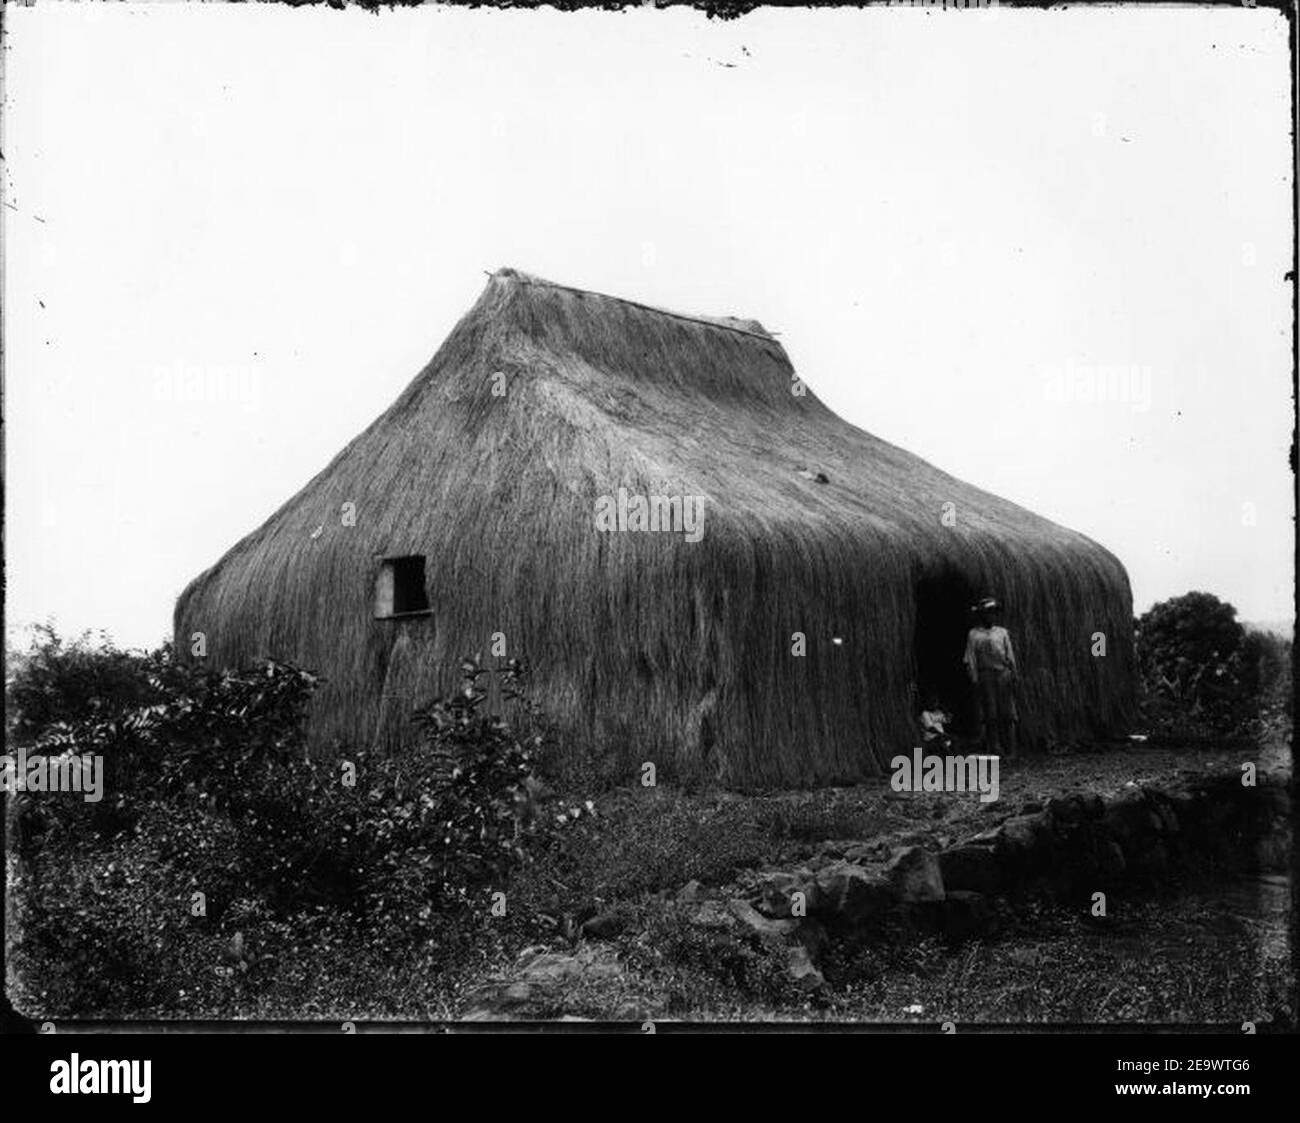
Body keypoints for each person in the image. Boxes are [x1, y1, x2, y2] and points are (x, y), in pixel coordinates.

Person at [963, 596, 1019, 757]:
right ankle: (995, 747)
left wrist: (1013, 673)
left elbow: (1010, 655)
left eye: (993, 613)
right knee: (991, 713)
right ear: (981, 615)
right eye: (987, 613)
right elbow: (970, 658)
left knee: (1008, 713)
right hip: (985, 675)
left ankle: (1012, 749)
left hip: (1003, 673)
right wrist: (974, 679)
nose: (991, 616)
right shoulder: (974, 634)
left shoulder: (1001, 632)